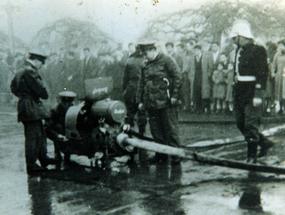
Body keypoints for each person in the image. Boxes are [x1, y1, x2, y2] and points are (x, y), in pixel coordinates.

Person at [229, 20, 274, 163]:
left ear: (241, 36)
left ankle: (251, 155)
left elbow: (263, 73)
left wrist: (258, 94)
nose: (233, 41)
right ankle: (264, 142)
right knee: (240, 122)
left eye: (235, 38)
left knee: (250, 123)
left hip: (253, 91)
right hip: (240, 91)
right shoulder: (238, 50)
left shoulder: (258, 50)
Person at [10, 49, 58, 175]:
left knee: (40, 133)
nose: (41, 66)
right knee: (33, 137)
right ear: (36, 61)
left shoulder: (21, 70)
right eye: (41, 63)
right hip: (30, 106)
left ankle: (43, 158)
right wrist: (33, 96)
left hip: (26, 105)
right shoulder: (30, 71)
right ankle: (31, 165)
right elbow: (42, 90)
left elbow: (13, 87)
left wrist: (23, 95)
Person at [137, 42, 182, 164]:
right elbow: (141, 83)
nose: (145, 56)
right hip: (151, 102)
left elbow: (178, 76)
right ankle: (161, 154)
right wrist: (140, 100)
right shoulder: (145, 64)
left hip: (166, 101)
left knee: (170, 129)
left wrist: (174, 96)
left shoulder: (167, 60)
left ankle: (176, 155)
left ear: (153, 50)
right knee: (155, 130)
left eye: (146, 53)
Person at [45, 91, 76, 161]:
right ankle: (57, 152)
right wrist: (57, 136)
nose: (68, 105)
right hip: (60, 133)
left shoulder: (74, 110)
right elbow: (47, 127)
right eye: (66, 102)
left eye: (70, 102)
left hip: (71, 133)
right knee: (59, 127)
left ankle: (68, 152)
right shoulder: (55, 110)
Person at [123, 46, 147, 135]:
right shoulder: (145, 60)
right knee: (142, 114)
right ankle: (141, 134)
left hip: (130, 90)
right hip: (142, 91)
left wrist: (124, 90)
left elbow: (125, 78)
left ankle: (127, 133)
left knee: (129, 114)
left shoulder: (129, 60)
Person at [188, 44, 214, 114]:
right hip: (195, 77)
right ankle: (197, 108)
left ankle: (205, 108)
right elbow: (190, 69)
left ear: (200, 50)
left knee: (205, 93)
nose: (196, 52)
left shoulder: (206, 57)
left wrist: (208, 74)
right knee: (196, 92)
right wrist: (190, 77)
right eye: (195, 50)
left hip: (204, 77)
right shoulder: (192, 58)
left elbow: (211, 67)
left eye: (197, 50)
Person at [271, 39, 285, 115]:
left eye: (282, 46)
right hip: (279, 76)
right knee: (278, 92)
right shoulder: (276, 55)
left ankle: (284, 108)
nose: (281, 47)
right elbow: (273, 65)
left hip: (284, 76)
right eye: (279, 46)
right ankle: (279, 108)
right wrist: (273, 73)